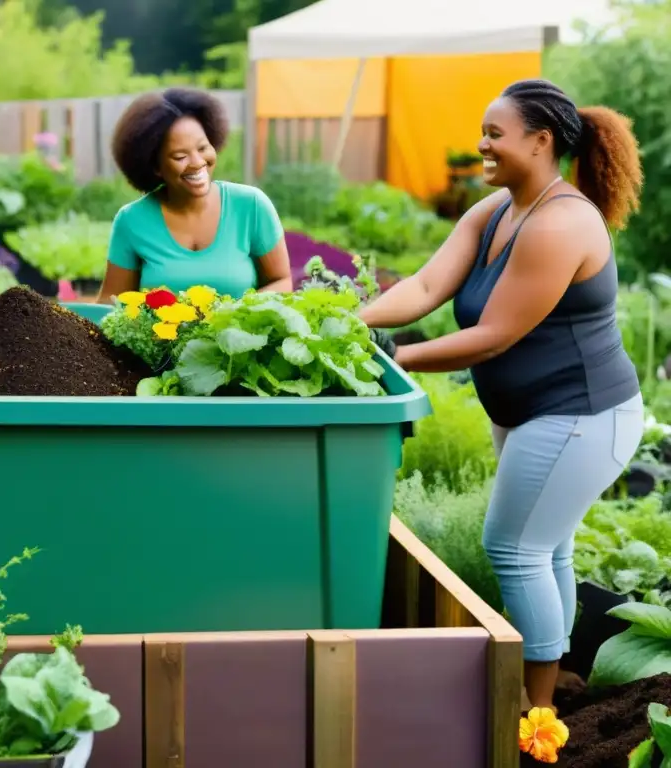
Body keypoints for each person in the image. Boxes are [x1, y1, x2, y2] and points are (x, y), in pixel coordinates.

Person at [359, 79, 644, 713]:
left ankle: (535, 709)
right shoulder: (497, 210)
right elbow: (429, 282)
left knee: (514, 549)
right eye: (483, 132)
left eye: (495, 134)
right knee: (548, 548)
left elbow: (494, 337)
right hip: (537, 414)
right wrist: (360, 325)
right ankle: (557, 681)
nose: (481, 145)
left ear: (541, 141)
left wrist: (397, 356)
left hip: (582, 416)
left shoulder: (562, 222)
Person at [96, 87, 292, 302]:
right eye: (180, 156)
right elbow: (111, 301)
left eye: (202, 148)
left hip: (238, 334)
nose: (198, 163)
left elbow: (282, 282)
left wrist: (232, 315)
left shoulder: (251, 206)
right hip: (160, 335)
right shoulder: (132, 221)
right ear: (156, 167)